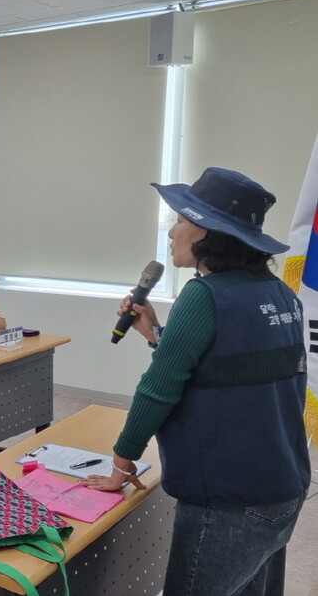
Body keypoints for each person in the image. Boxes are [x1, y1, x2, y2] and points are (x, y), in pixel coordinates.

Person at [81, 168, 309, 596]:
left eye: (181, 220)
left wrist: (121, 465)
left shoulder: (204, 295)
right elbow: (230, 369)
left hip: (228, 497)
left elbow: (157, 390)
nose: (172, 232)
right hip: (282, 486)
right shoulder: (280, 294)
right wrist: (157, 335)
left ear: (209, 232)